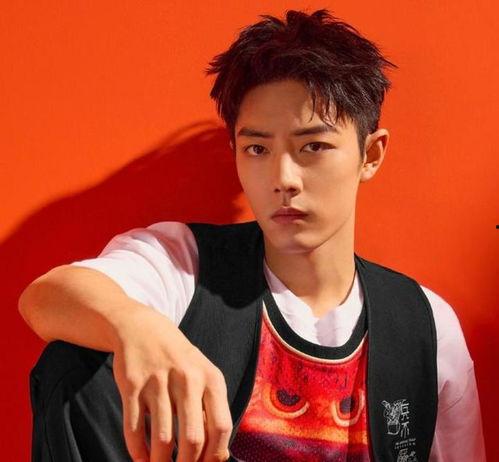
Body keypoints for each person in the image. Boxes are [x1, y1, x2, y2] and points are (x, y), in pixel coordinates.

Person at [19, 8, 486, 462]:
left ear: (371, 154)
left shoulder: (424, 324)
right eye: (258, 149)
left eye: (313, 146)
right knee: (76, 366)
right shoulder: (186, 266)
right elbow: (47, 297)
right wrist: (137, 327)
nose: (283, 178)